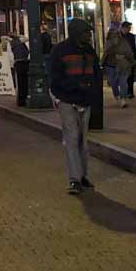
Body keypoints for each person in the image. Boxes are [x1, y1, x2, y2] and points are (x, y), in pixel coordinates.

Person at [49, 18, 101, 195]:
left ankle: (82, 175)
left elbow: (96, 74)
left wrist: (92, 92)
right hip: (68, 101)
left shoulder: (89, 51)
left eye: (89, 32)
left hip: (85, 101)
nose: (88, 35)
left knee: (82, 142)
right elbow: (55, 77)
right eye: (86, 32)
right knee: (72, 138)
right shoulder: (60, 51)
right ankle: (75, 179)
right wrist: (70, 90)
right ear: (77, 33)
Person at [102, 24, 135, 108]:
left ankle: (123, 99)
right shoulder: (108, 43)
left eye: (116, 35)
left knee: (123, 82)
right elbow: (106, 53)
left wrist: (131, 61)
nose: (114, 37)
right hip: (110, 65)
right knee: (113, 82)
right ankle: (117, 95)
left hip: (123, 65)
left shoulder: (124, 42)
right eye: (112, 35)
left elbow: (129, 52)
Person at [10, 35, 29, 107]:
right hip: (24, 63)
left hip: (18, 63)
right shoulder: (20, 43)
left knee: (20, 82)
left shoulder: (13, 43)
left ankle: (21, 100)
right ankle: (23, 99)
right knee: (24, 82)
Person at [120, 21, 136, 99]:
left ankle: (130, 92)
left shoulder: (131, 36)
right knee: (123, 77)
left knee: (130, 76)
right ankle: (124, 92)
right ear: (123, 28)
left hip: (130, 58)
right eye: (128, 28)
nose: (129, 29)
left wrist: (135, 58)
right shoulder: (118, 36)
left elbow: (134, 48)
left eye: (130, 28)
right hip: (121, 59)